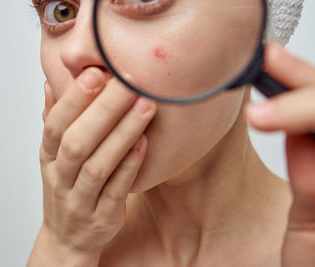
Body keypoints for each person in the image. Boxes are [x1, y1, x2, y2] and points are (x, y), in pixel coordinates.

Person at [27, 0, 315, 266]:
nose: (74, 53)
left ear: (257, 35)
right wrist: (61, 247)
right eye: (61, 9)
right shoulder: (71, 245)